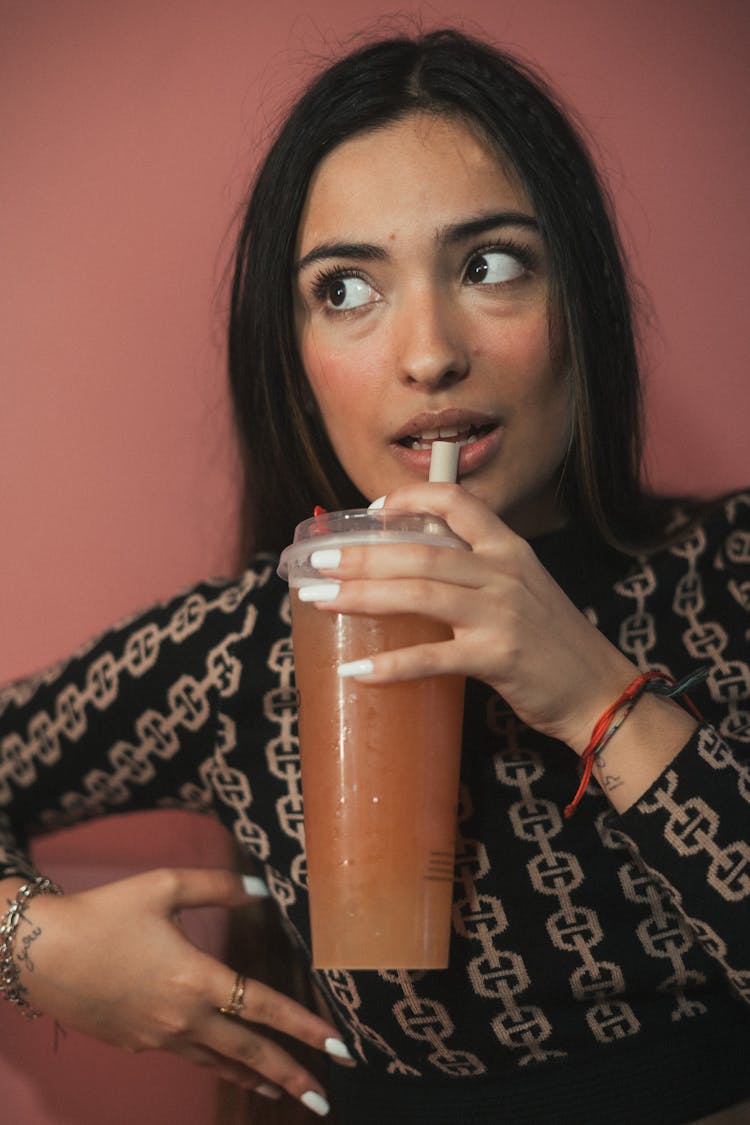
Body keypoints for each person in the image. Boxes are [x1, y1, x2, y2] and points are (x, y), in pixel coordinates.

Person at [1, 26, 748, 1125]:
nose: (429, 351)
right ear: (295, 359)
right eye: (345, 288)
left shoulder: (728, 571)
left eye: (492, 266)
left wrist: (597, 696)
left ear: (579, 302)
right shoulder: (254, 644)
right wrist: (32, 946)